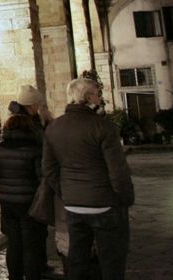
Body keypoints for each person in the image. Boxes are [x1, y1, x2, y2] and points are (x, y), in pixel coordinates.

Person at [43, 77, 134, 280]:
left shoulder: (54, 127)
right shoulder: (102, 127)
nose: (100, 98)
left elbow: (48, 169)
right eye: (97, 94)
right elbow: (118, 171)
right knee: (111, 259)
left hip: (73, 205)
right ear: (88, 97)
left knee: (78, 258)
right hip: (104, 204)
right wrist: (125, 198)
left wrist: (66, 191)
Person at [0, 113, 46, 280]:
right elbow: (41, 178)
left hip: (8, 203)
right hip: (30, 203)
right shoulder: (35, 150)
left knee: (13, 243)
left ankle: (14, 277)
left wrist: (5, 189)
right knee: (30, 245)